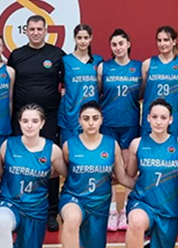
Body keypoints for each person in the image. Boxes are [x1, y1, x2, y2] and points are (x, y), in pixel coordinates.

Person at [6, 15, 66, 231]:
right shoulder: (16, 55)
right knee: (18, 164)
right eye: (32, 29)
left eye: (39, 29)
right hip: (21, 120)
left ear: (46, 30)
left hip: (48, 118)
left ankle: (51, 212)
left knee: (49, 162)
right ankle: (17, 208)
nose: (36, 32)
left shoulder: (57, 55)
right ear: (26, 31)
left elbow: (68, 83)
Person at [59, 101, 135, 248]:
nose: (91, 123)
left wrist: (145, 186)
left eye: (95, 118)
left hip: (100, 203)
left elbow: (122, 178)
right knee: (72, 218)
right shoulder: (69, 146)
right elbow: (67, 174)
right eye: (86, 118)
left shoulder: (112, 145)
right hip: (74, 197)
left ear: (101, 120)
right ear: (79, 121)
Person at [0, 104, 67, 248]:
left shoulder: (52, 150)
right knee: (1, 222)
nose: (29, 125)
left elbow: (66, 174)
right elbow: (0, 172)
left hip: (35, 208)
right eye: (25, 121)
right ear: (19, 122)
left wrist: (44, 175)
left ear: (42, 123)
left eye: (35, 121)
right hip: (9, 202)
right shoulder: (8, 145)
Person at [125, 98, 178, 248]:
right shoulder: (137, 144)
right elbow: (130, 175)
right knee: (136, 222)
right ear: (148, 118)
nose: (158, 122)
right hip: (142, 202)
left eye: (163, 117)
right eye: (154, 117)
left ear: (170, 120)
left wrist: (167, 182)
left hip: (168, 208)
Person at [97, 28, 142, 231]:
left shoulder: (138, 68)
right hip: (109, 122)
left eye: (121, 43)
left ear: (128, 44)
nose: (118, 47)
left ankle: (127, 209)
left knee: (128, 169)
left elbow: (142, 93)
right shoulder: (104, 68)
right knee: (110, 168)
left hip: (130, 122)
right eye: (114, 44)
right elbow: (100, 91)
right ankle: (112, 210)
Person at [141, 25, 178, 137]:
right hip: (152, 120)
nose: (162, 44)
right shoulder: (147, 64)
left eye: (166, 40)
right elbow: (143, 91)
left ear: (174, 42)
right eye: (159, 40)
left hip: (175, 118)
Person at [58, 24, 103, 144]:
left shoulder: (98, 61)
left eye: (86, 38)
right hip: (70, 115)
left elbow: (102, 87)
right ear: (74, 38)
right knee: (69, 150)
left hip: (92, 115)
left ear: (91, 38)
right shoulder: (65, 61)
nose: (83, 41)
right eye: (79, 38)